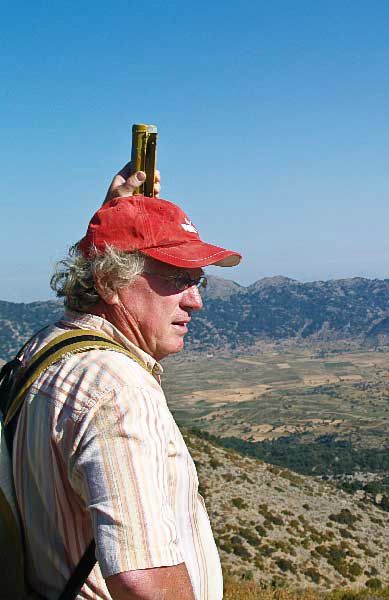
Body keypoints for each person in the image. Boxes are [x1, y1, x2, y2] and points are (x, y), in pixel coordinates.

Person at [12, 165, 240, 599]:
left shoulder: (47, 348)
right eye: (176, 278)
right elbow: (143, 581)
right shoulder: (118, 390)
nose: (196, 300)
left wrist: (116, 217)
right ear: (110, 282)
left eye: (197, 279)